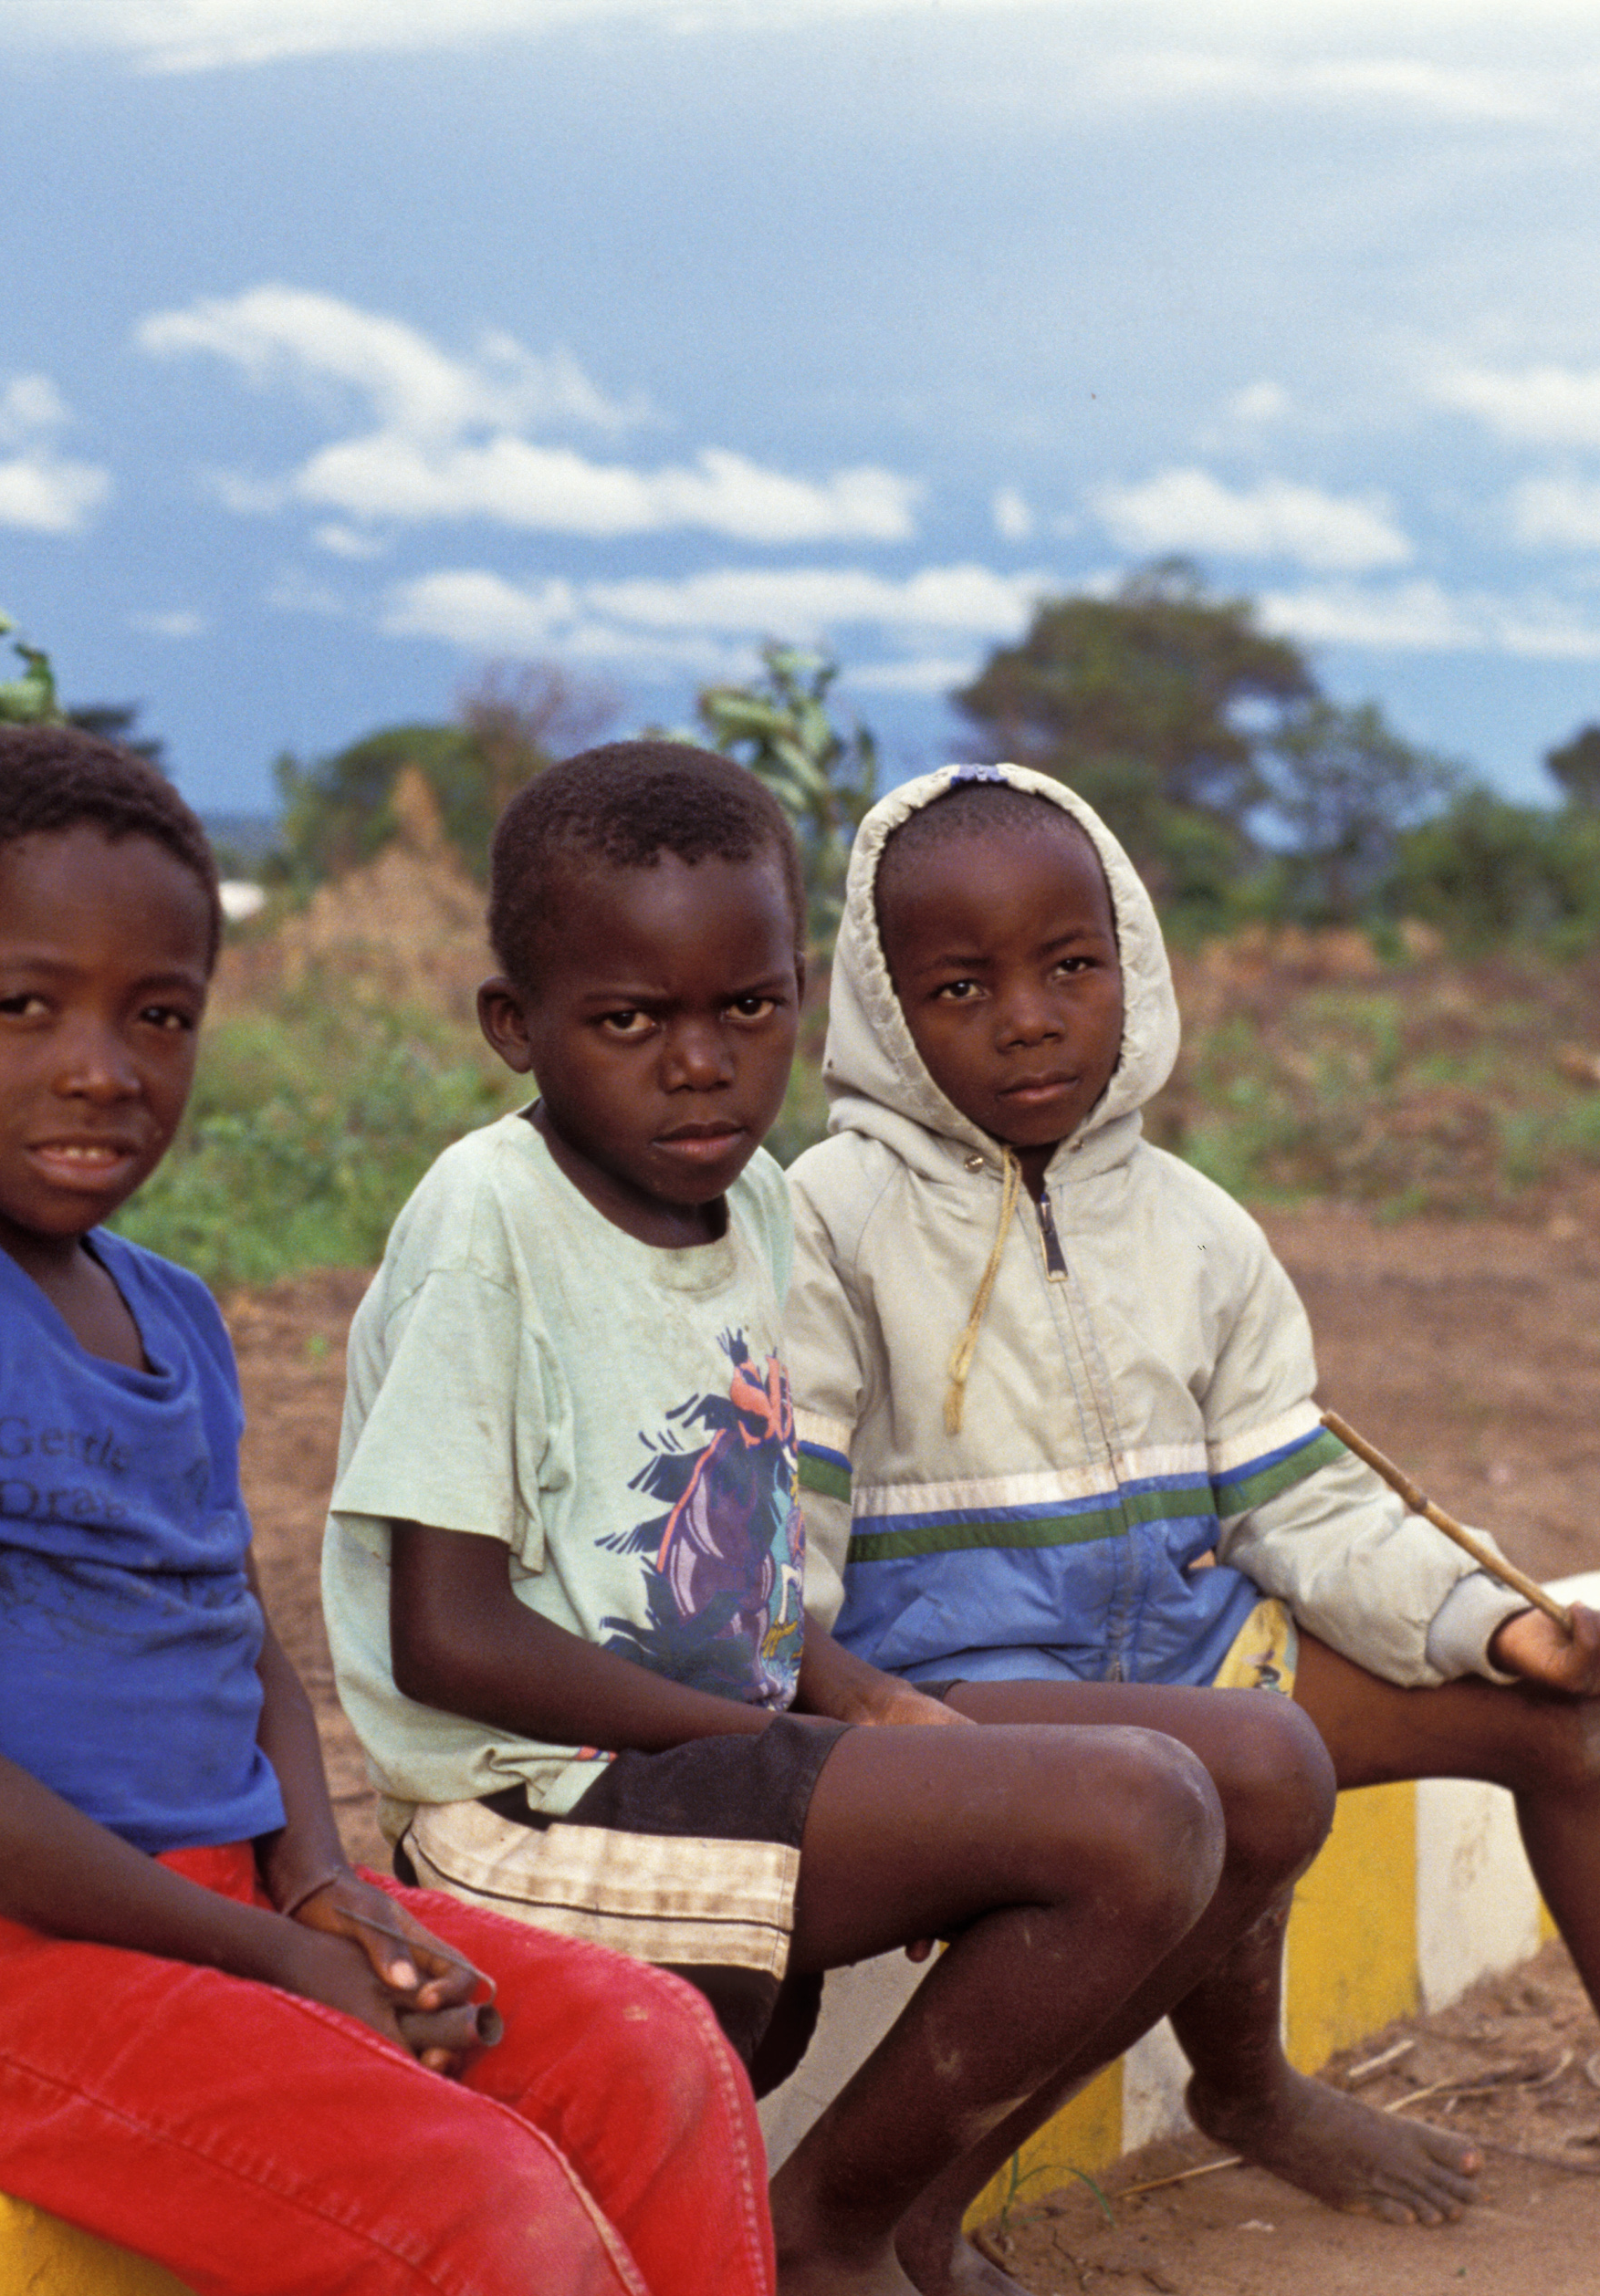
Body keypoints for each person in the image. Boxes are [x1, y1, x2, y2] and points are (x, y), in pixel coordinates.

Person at [0, 724, 773, 2296]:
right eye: (23, 1007)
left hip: (207, 1912)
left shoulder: (170, 1313)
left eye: (159, 1015)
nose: (100, 1066)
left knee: (649, 2046)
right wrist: (275, 1965)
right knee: (473, 2196)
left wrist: (319, 1886)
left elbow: (235, 1644)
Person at [787, 763, 1600, 2227]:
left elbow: (1295, 1505)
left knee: (1549, 1716)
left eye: (1070, 967)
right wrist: (849, 1717)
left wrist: (1499, 1628)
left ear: (1131, 964)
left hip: (1184, 1657)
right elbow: (777, 1539)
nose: (1029, 1017)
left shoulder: (1194, 1230)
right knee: (1238, 1762)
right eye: (958, 987)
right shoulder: (828, 1223)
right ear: (882, 1010)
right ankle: (944, 2203)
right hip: (961, 1692)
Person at [319, 740, 1334, 2296]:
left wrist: (865, 1706)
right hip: (531, 1809)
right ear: (515, 1028)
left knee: (1255, 1763)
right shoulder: (489, 1219)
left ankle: (912, 2213)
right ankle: (828, 2243)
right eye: (627, 1020)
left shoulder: (759, 1206)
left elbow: (737, 1571)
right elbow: (442, 1634)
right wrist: (780, 1742)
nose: (699, 1062)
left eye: (746, 1008)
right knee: (1137, 1816)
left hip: (705, 1746)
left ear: (801, 994)